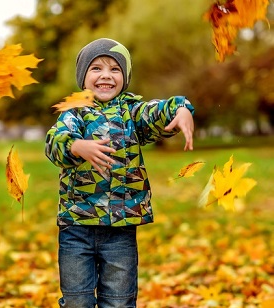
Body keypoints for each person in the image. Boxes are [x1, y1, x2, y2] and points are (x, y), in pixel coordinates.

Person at [45, 38, 195, 307]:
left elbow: (155, 112)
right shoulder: (74, 113)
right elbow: (55, 141)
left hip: (121, 229)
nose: (106, 75)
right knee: (77, 301)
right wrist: (77, 145)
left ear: (124, 78)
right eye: (96, 68)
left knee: (120, 301)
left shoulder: (132, 112)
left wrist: (180, 108)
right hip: (77, 226)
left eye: (115, 69)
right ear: (83, 77)